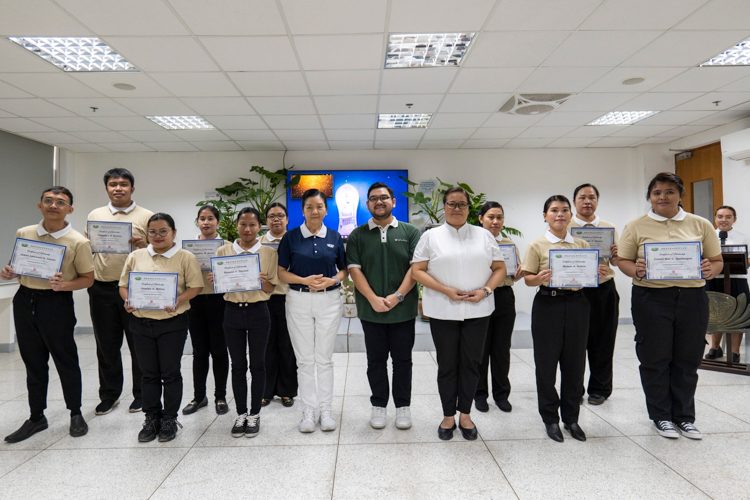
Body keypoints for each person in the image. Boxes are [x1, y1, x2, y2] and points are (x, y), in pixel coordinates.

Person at [618, 172, 722, 440]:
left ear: (680, 195)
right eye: (657, 193)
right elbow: (624, 261)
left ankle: (685, 418)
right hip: (651, 299)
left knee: (687, 359)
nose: (663, 197)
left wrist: (710, 269)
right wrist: (636, 269)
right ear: (650, 197)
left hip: (692, 298)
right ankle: (661, 416)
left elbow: (716, 260)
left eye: (669, 192)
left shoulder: (700, 224)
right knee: (655, 358)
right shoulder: (636, 226)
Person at [411, 187, 506, 441]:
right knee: (447, 365)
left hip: (478, 310)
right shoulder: (431, 237)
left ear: (468, 208)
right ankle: (447, 416)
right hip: (443, 310)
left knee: (471, 364)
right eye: (451, 204)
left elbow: (499, 268)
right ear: (444, 207)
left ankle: (465, 414)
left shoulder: (484, 235)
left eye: (462, 204)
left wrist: (485, 291)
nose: (456, 208)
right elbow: (417, 271)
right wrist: (445, 290)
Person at [2, 186, 94, 443]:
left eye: (60, 202)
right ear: (40, 205)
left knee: (65, 359)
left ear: (70, 209)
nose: (54, 205)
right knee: (33, 361)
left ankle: (75, 413)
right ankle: (36, 416)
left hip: (56, 303)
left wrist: (64, 285)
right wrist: (9, 272)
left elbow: (88, 279)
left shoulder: (78, 241)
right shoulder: (25, 233)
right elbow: (19, 267)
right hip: (25, 299)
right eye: (48, 201)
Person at [522, 195, 606, 443]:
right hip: (548, 304)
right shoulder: (537, 245)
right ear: (545, 216)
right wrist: (540, 278)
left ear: (571, 215)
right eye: (554, 210)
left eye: (564, 210)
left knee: (575, 363)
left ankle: (571, 418)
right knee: (546, 364)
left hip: (578, 303)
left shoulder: (581, 245)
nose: (560, 214)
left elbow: (592, 278)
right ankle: (550, 418)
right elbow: (527, 279)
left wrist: (597, 273)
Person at [119, 213, 204, 443]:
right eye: (153, 232)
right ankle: (151, 418)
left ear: (174, 233)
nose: (158, 236)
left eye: (163, 231)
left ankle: (169, 418)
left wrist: (178, 300)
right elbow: (123, 285)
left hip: (172, 323)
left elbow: (195, 287)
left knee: (170, 373)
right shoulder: (136, 256)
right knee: (148, 374)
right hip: (141, 323)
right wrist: (128, 300)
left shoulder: (185, 257)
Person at [347, 182, 421, 430]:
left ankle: (403, 407)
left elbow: (415, 269)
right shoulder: (358, 234)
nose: (379, 202)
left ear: (393, 201)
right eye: (374, 198)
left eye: (384, 197)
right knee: (375, 361)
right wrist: (373, 299)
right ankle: (378, 404)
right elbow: (354, 270)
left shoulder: (410, 232)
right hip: (371, 311)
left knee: (403, 361)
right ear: (367, 204)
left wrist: (397, 296)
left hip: (403, 311)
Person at [278, 189, 348, 433]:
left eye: (319, 206)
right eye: (309, 207)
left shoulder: (335, 236)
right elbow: (281, 272)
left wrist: (333, 281)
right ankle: (308, 410)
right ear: (303, 210)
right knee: (305, 360)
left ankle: (326, 409)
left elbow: (344, 270)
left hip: (329, 302)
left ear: (326, 210)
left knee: (324, 359)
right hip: (298, 300)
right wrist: (304, 280)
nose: (314, 211)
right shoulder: (291, 237)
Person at [86, 168, 152, 415]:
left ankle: (142, 394)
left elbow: (158, 251)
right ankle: (109, 394)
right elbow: (86, 248)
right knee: (106, 345)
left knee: (139, 344)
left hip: (135, 289)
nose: (118, 188)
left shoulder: (146, 216)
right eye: (113, 184)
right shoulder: (96, 214)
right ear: (106, 188)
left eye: (124, 184)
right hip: (101, 287)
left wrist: (145, 244)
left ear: (132, 189)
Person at [211, 207, 278, 438]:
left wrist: (262, 281)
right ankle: (240, 414)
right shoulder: (224, 251)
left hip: (259, 311)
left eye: (252, 224)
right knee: (237, 365)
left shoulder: (269, 253)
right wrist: (217, 280)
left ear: (260, 227)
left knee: (257, 365)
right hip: (232, 312)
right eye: (242, 224)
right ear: (236, 225)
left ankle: (255, 414)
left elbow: (272, 289)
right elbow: (219, 290)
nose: (247, 229)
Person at [568, 184, 620, 406]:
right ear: (574, 202)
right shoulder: (565, 226)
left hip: (603, 290)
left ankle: (599, 389)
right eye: (582, 197)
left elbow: (615, 262)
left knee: (603, 341)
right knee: (574, 343)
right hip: (575, 291)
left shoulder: (608, 228)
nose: (587, 201)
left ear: (597, 201)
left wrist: (618, 256)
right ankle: (574, 389)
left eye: (592, 197)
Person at [475, 201, 525, 414]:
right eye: (490, 217)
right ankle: (479, 394)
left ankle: (501, 394)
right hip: (481, 296)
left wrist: (519, 273)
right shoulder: (473, 242)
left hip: (504, 296)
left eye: (499, 217)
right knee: (480, 348)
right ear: (481, 219)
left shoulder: (509, 244)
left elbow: (514, 274)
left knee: (501, 348)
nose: (495, 222)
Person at [182, 205, 230, 416]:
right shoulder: (187, 249)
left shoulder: (227, 247)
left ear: (218, 222)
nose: (206, 222)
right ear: (198, 222)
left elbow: (236, 276)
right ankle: (199, 396)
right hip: (196, 303)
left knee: (219, 351)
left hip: (220, 302)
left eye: (211, 218)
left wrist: (222, 278)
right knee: (199, 352)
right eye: (202, 218)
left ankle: (220, 396)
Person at [259, 203, 298, 408]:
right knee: (266, 346)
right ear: (266, 221)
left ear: (287, 219)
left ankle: (287, 391)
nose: (276, 219)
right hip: (265, 299)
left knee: (287, 346)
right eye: (272, 216)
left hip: (289, 297)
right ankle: (266, 391)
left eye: (280, 215)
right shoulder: (258, 244)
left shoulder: (296, 241)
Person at [705, 205, 749, 363]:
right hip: (713, 279)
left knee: (739, 313)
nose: (724, 220)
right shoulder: (708, 236)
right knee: (715, 313)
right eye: (720, 216)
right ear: (715, 218)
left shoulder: (743, 237)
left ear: (734, 219)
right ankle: (715, 348)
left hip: (737, 280)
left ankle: (735, 352)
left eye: (728, 217)